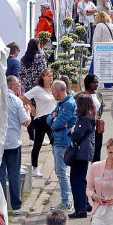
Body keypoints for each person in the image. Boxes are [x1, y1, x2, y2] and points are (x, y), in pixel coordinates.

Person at [0, 76, 31, 216]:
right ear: (11, 86)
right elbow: (26, 122)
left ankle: (1, 205)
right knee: (14, 174)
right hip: (13, 142)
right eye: (18, 85)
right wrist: (28, 111)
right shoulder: (16, 101)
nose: (19, 87)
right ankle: (16, 206)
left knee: (0, 174)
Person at [48, 79, 78, 212]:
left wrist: (54, 119)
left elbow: (55, 125)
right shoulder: (62, 103)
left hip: (62, 142)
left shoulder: (68, 104)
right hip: (59, 140)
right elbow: (49, 119)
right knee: (61, 172)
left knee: (61, 172)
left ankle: (66, 202)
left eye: (52, 91)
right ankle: (66, 201)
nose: (52, 93)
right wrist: (53, 118)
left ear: (58, 90)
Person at [67, 94, 98, 220]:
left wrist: (72, 132)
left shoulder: (85, 119)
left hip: (81, 153)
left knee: (77, 181)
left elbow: (76, 135)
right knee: (80, 179)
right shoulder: (90, 117)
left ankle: (80, 210)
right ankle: (85, 204)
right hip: (85, 152)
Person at [25, 68, 56, 179]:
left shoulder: (53, 88)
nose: (50, 77)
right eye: (48, 75)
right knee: (37, 144)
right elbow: (24, 97)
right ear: (43, 77)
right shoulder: (38, 89)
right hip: (41, 119)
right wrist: (32, 108)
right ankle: (35, 168)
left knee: (56, 144)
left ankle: (59, 168)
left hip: (52, 119)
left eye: (52, 75)